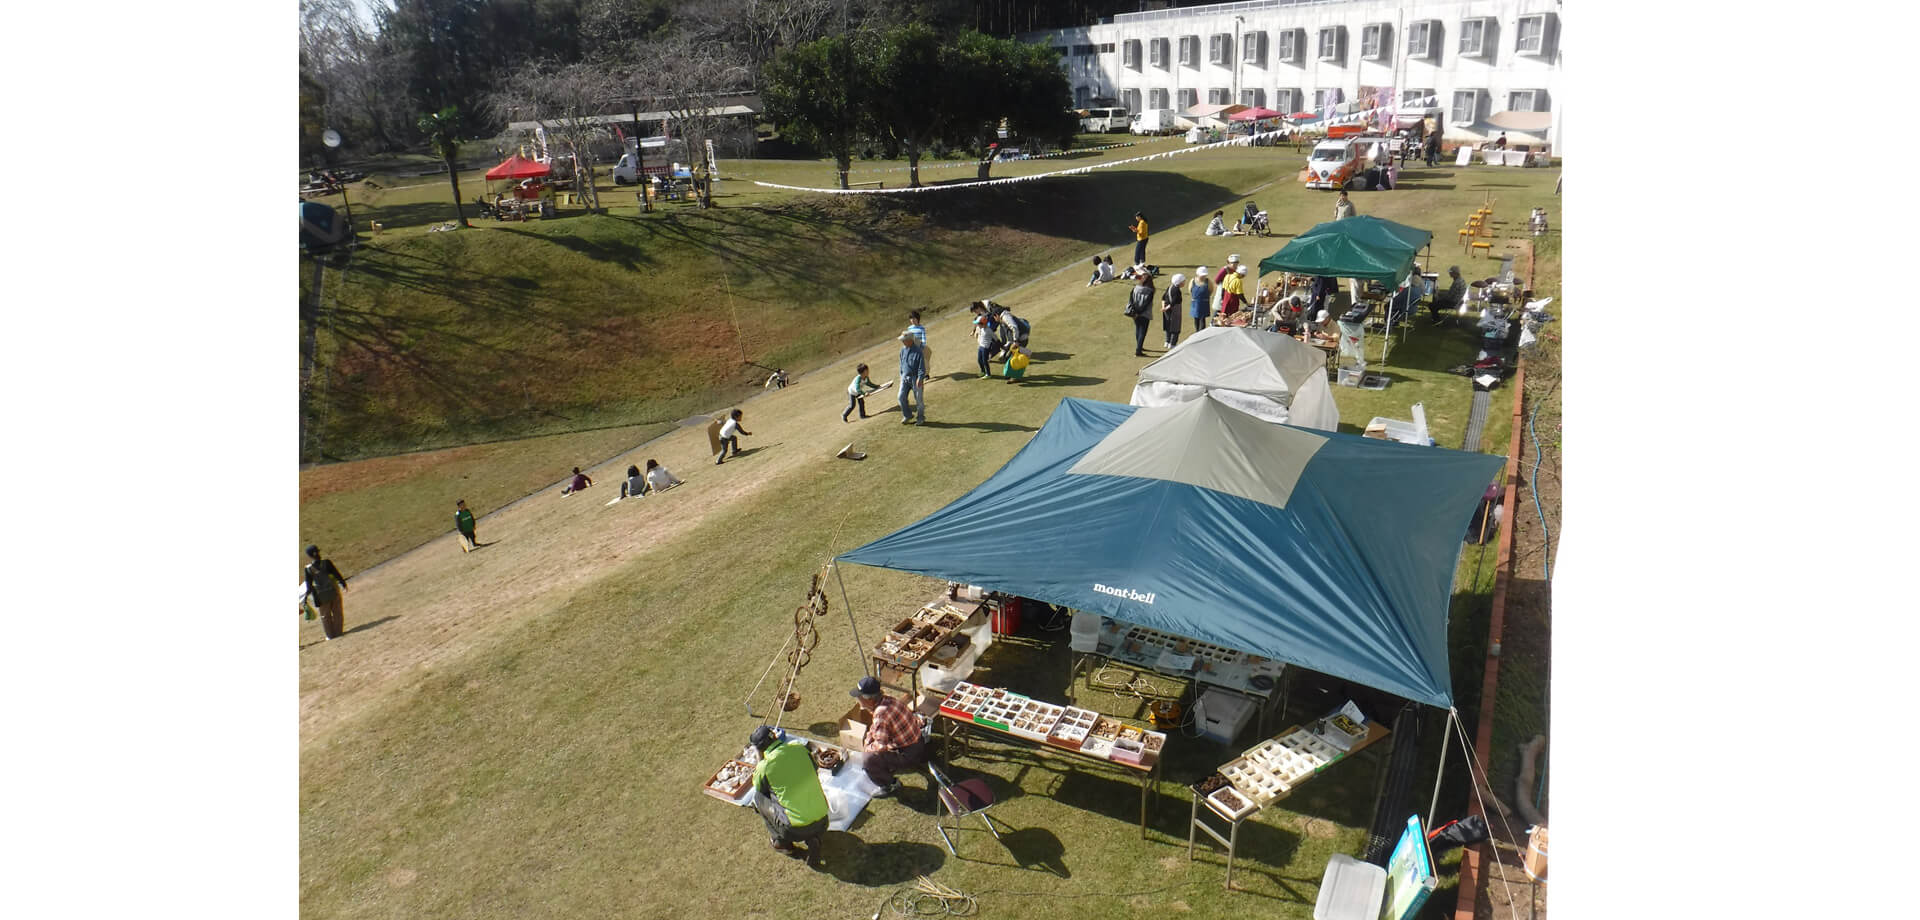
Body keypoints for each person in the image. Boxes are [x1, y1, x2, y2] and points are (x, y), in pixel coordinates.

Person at [747, 726, 829, 866]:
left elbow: (759, 788)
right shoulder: (799, 748)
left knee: (758, 798)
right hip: (823, 819)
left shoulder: (765, 766)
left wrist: (761, 760)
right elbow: (814, 768)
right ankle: (813, 837)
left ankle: (782, 843)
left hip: (794, 830)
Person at [851, 676, 929, 796]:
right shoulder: (888, 700)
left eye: (859, 697)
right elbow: (875, 729)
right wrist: (869, 738)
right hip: (918, 742)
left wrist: (866, 748)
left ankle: (890, 785)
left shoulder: (881, 714)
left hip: (909, 753)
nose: (857, 700)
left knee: (868, 760)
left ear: (869, 699)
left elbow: (880, 747)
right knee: (871, 745)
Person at [303, 545, 349, 640]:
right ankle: (338, 632)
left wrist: (309, 597)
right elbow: (336, 573)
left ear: (309, 556)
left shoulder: (308, 569)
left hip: (320, 596)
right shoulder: (326, 563)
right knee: (337, 612)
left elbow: (309, 585)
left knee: (325, 616)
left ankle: (330, 635)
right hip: (333, 591)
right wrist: (343, 583)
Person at [897, 333, 927, 425]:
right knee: (900, 397)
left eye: (904, 340)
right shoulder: (902, 350)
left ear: (910, 340)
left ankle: (921, 418)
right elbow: (901, 363)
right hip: (904, 378)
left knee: (918, 400)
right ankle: (907, 415)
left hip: (915, 378)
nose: (902, 342)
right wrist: (901, 375)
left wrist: (920, 378)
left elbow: (921, 367)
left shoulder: (918, 351)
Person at [1127, 271, 1155, 356]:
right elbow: (1146, 303)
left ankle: (1139, 346)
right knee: (1143, 331)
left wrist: (1135, 312)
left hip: (1134, 312)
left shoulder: (1135, 288)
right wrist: (1139, 312)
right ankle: (1138, 350)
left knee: (1138, 329)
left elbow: (1131, 299)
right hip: (1144, 314)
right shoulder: (1150, 291)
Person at [1160, 272, 1185, 350]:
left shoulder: (1170, 287)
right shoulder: (1177, 290)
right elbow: (1173, 302)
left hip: (1167, 311)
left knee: (1168, 326)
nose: (1184, 283)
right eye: (1183, 281)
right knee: (1175, 328)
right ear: (1179, 282)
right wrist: (1167, 308)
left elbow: (1163, 297)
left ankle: (1167, 342)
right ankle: (1172, 344)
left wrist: (1163, 307)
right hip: (1174, 311)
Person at [1189, 266, 1212, 332]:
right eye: (1202, 275)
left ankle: (1201, 334)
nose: (1203, 276)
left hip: (1204, 303)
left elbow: (1211, 290)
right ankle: (1197, 332)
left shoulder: (1208, 281)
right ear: (1198, 274)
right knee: (1196, 319)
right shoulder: (1193, 281)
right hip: (1195, 304)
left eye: (1204, 275)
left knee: (1202, 320)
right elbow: (1190, 290)